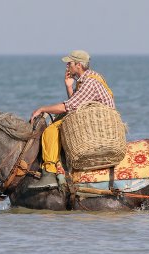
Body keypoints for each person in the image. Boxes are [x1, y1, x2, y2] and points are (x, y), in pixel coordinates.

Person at [28, 50, 115, 189]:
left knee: (50, 131)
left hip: (97, 123)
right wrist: (69, 86)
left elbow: (67, 107)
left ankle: (49, 173)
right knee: (57, 122)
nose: (67, 66)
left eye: (70, 63)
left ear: (78, 65)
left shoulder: (89, 82)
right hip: (92, 118)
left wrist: (42, 109)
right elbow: (76, 103)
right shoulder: (88, 78)